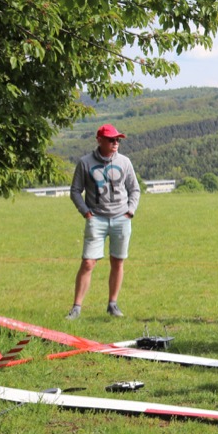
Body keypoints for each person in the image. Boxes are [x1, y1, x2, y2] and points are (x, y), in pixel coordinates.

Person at [67, 123, 140, 320]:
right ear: (99, 140)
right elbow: (75, 191)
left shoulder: (125, 162)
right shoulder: (85, 162)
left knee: (117, 261)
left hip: (121, 219)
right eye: (111, 139)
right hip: (96, 219)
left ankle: (112, 304)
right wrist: (86, 212)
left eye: (117, 140)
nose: (115, 143)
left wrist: (130, 211)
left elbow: (134, 189)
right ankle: (76, 308)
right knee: (88, 262)